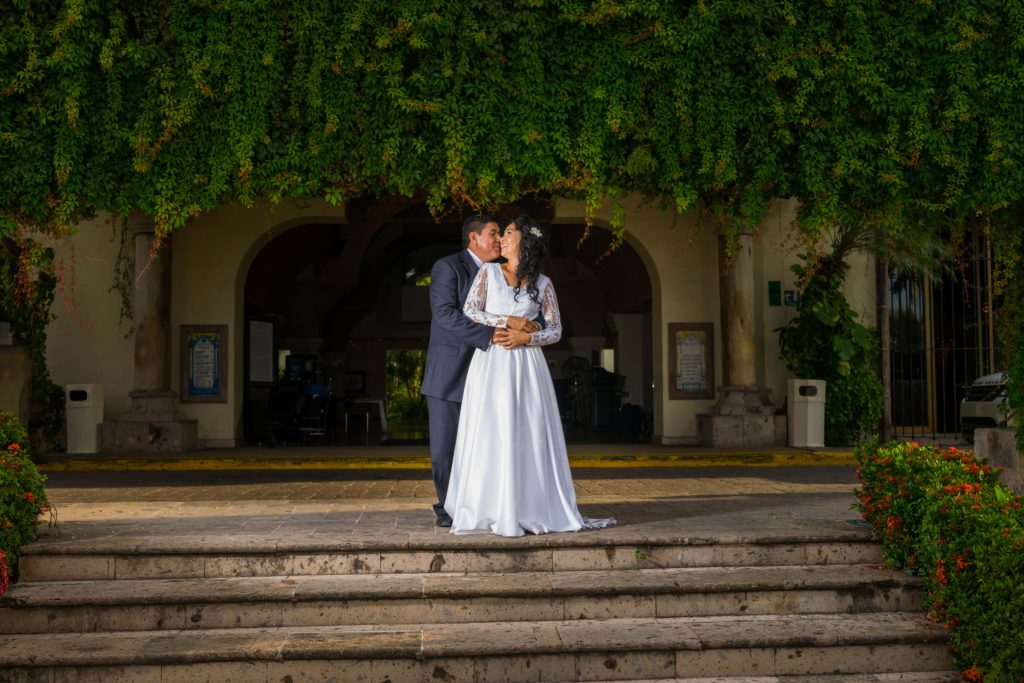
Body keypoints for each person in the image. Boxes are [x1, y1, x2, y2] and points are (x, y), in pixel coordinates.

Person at [444, 216, 616, 537]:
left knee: (529, 431)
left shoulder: (544, 283)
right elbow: (471, 310)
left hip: (528, 365)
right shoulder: (488, 272)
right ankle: (490, 507)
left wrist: (529, 337)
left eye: (508, 233)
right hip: (493, 362)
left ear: (525, 242)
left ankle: (530, 506)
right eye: (501, 233)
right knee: (493, 430)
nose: (502, 238)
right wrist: (509, 321)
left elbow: (556, 330)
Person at [421, 215, 539, 527]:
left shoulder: (505, 271)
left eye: (502, 233)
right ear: (474, 238)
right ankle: (448, 508)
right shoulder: (448, 267)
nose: (499, 239)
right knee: (446, 448)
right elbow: (445, 314)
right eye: (493, 233)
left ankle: (485, 505)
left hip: (492, 373)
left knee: (487, 444)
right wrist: (492, 333)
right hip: (450, 372)